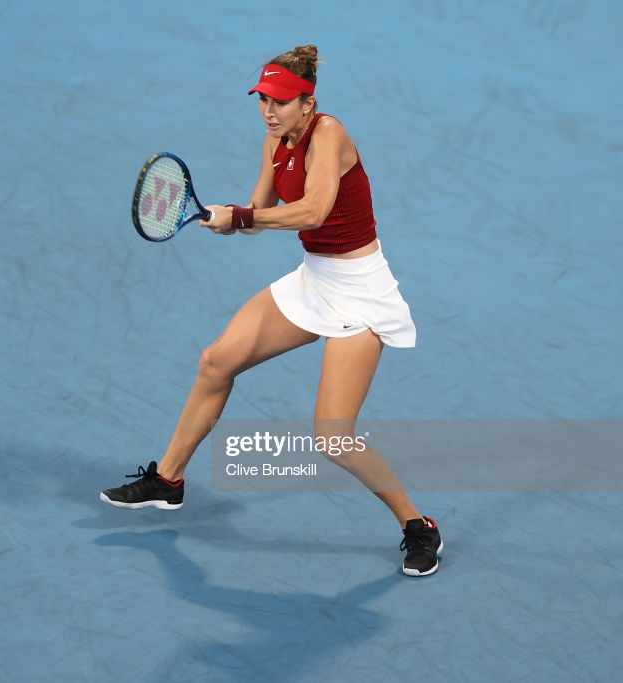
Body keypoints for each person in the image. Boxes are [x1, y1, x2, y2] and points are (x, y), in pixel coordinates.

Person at [100, 45, 443, 577]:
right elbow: (261, 214)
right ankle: (168, 481)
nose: (269, 110)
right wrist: (229, 217)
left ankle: (417, 526)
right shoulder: (273, 139)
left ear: (308, 102)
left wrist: (242, 215)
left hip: (360, 289)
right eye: (263, 99)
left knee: (332, 436)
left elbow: (313, 209)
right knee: (217, 361)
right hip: (315, 279)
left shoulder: (329, 134)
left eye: (281, 101)